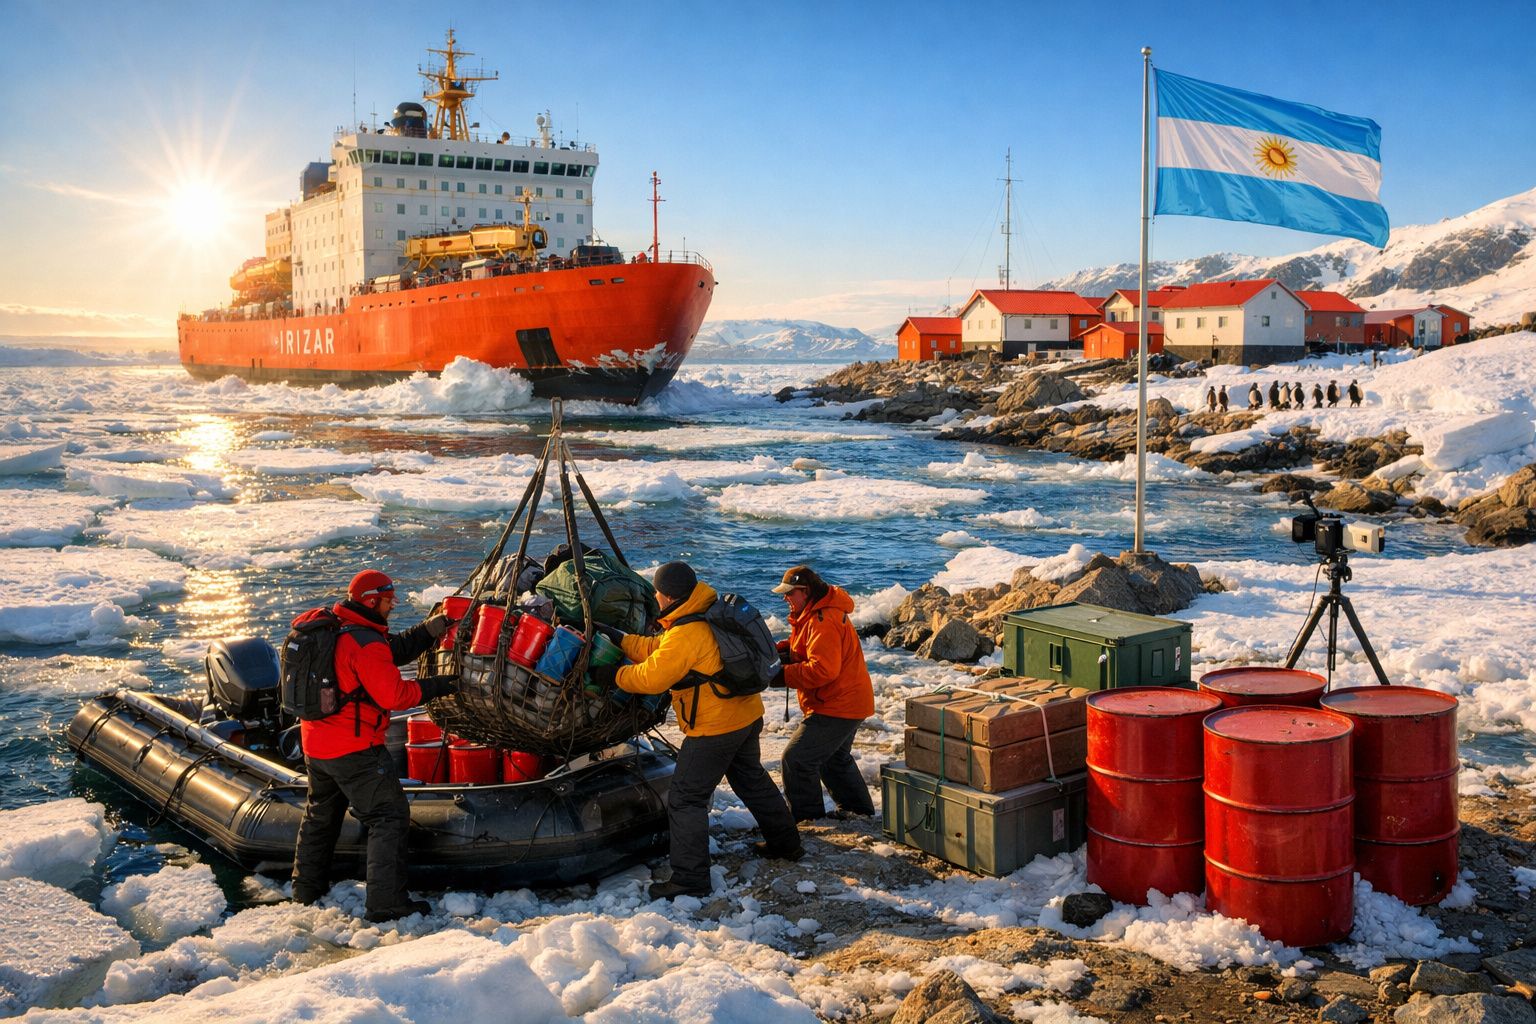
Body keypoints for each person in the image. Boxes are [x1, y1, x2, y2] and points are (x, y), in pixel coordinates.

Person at [591, 561, 801, 900]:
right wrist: (621, 639)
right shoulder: (703, 611)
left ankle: (690, 880)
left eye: (657, 592)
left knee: (686, 797)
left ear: (669, 595)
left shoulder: (687, 632)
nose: (656, 598)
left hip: (716, 727)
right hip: (746, 714)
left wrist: (613, 676)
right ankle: (787, 843)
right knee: (751, 779)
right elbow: (659, 650)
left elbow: (651, 678)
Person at [292, 570, 455, 922]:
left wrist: (430, 631)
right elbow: (396, 695)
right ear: (370, 600)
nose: (393, 603)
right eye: (387, 598)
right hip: (354, 749)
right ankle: (386, 904)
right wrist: (440, 685)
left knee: (320, 815)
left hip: (316, 744)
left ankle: (305, 890)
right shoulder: (364, 643)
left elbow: (389, 650)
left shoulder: (339, 627)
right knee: (389, 816)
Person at [771, 566, 876, 823]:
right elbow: (807, 647)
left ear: (805, 592)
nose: (785, 598)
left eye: (789, 593)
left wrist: (782, 675)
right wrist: (779, 649)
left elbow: (823, 670)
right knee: (834, 759)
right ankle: (859, 813)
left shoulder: (823, 619)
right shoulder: (812, 613)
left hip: (838, 705)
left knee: (796, 759)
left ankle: (808, 821)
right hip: (850, 700)